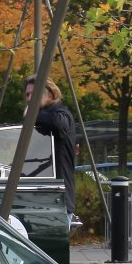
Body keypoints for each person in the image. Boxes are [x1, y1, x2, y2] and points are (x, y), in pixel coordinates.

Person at [24, 76, 80, 226]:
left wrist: (33, 114)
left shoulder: (61, 113)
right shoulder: (40, 120)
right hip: (39, 196)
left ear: (50, 95)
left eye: (34, 94)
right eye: (27, 94)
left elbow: (58, 124)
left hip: (57, 197)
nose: (29, 99)